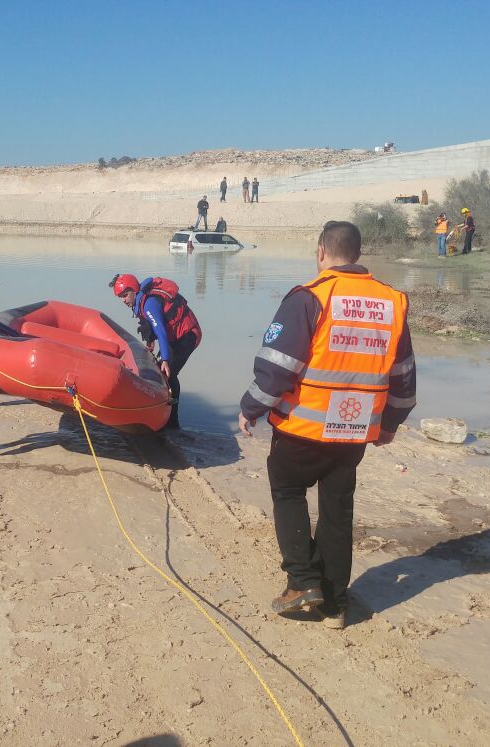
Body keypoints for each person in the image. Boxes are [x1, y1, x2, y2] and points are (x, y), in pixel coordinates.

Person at [238, 220, 416, 629]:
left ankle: (302, 583)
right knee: (338, 510)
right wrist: (390, 423)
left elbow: (277, 368)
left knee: (288, 493)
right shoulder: (393, 302)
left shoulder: (309, 298)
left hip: (302, 428)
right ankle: (335, 605)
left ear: (321, 251)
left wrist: (250, 408)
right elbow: (403, 376)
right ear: (357, 254)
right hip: (354, 433)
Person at [110, 273, 203, 430]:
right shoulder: (141, 300)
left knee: (169, 373)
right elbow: (151, 326)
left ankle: (173, 423)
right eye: (120, 297)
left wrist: (165, 359)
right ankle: (159, 408)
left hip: (188, 336)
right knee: (161, 368)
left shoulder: (149, 304)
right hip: (175, 335)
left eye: (125, 295)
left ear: (134, 290)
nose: (123, 300)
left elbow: (161, 331)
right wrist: (150, 342)